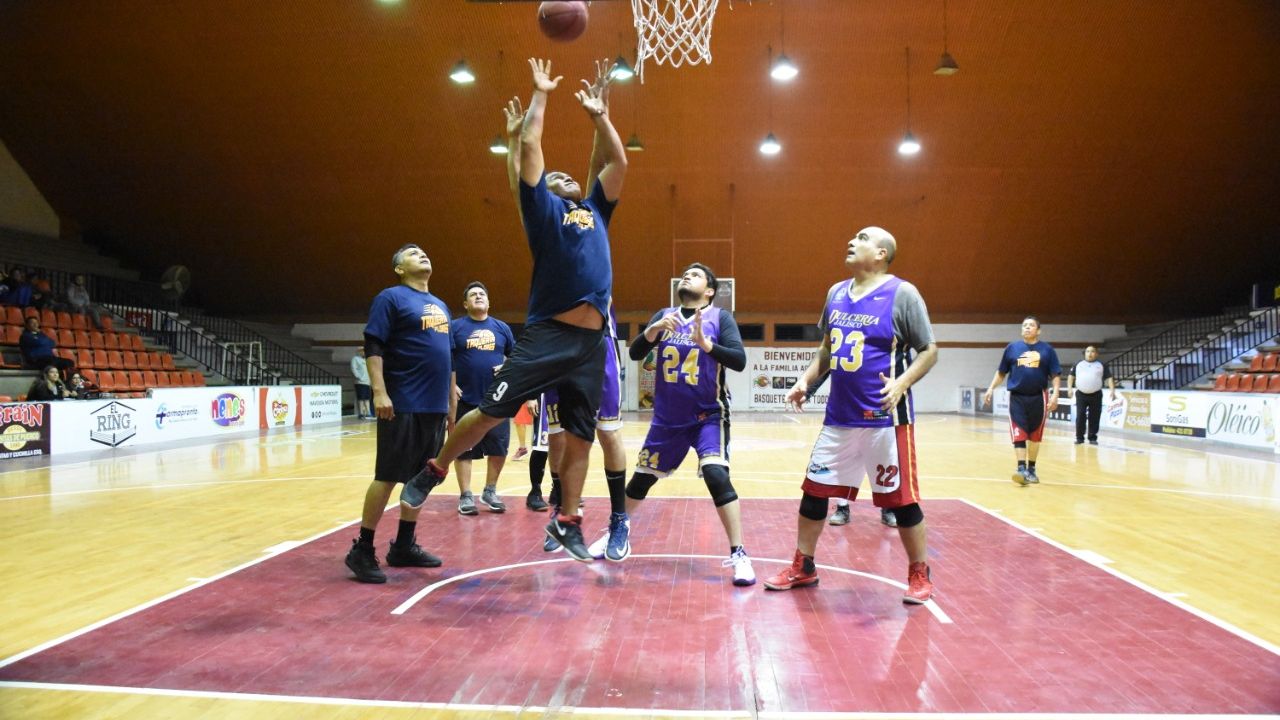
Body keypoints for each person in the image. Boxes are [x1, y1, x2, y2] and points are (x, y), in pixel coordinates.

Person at [400, 57, 627, 563]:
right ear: (539, 191)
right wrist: (541, 94)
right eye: (556, 175)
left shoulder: (595, 211)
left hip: (590, 346)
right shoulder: (543, 213)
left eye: (573, 175)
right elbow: (529, 149)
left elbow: (615, 164)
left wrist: (599, 117)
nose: (566, 175)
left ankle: (568, 519)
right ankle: (434, 469)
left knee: (580, 436)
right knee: (489, 413)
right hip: (548, 336)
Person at [763, 226, 940, 605]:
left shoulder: (902, 294)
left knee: (902, 501)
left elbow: (929, 350)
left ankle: (919, 572)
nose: (851, 241)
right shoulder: (835, 293)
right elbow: (828, 349)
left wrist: (902, 383)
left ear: (881, 253)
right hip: (839, 418)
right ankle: (804, 566)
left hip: (885, 421)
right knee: (814, 493)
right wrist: (806, 382)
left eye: (862, 238)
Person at [596, 264, 753, 583]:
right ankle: (616, 530)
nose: (687, 276)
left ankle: (739, 554)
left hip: (708, 415)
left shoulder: (720, 319)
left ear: (710, 290)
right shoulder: (664, 315)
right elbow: (637, 352)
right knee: (640, 481)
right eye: (685, 274)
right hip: (667, 420)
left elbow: (739, 360)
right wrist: (652, 332)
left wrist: (708, 346)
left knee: (715, 474)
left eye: (695, 275)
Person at [342, 244, 455, 584]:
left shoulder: (441, 306)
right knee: (388, 475)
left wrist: (452, 410)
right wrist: (379, 391)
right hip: (403, 400)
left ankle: (404, 545)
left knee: (421, 479)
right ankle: (362, 548)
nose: (423, 254)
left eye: (425, 252)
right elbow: (374, 345)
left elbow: (448, 361)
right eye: (413, 253)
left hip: (434, 407)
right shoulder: (390, 298)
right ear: (399, 269)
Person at [449, 281, 517, 515]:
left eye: (482, 294)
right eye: (473, 295)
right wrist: (451, 385)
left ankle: (490, 490)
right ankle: (466, 495)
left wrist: (506, 367)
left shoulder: (501, 328)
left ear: (488, 301)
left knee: (498, 448)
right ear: (465, 303)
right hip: (465, 399)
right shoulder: (455, 328)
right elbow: (443, 358)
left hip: (497, 399)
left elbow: (516, 358)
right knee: (463, 449)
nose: (478, 296)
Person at [804, 371, 899, 529]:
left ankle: (888, 508)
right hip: (846, 413)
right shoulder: (840, 346)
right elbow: (825, 363)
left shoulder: (887, 350)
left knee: (883, 465)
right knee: (842, 468)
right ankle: (842, 508)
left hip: (877, 412)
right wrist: (808, 390)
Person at [983, 316, 1062, 485]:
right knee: (1018, 433)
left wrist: (1055, 394)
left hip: (1039, 397)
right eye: (1024, 325)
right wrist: (990, 388)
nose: (1027, 327)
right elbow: (1001, 372)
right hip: (1017, 397)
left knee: (1034, 435)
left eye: (1031, 325)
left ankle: (1032, 469)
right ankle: (1021, 469)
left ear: (1038, 330)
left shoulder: (1047, 350)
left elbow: (1055, 374)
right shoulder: (1012, 348)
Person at [1068, 345, 1116, 445]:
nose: (1090, 353)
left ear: (1096, 354)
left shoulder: (1101, 365)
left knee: (1095, 416)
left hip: (1096, 395)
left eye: (1092, 351)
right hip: (1081, 394)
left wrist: (1112, 390)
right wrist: (1070, 389)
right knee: (1080, 415)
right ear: (1085, 353)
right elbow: (1071, 377)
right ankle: (1079, 437)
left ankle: (1092, 437)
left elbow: (1109, 378)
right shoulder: (1078, 364)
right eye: (1088, 351)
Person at [350, 348, 373, 420]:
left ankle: (368, 413)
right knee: (361, 398)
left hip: (367, 382)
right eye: (362, 351)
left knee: (367, 398)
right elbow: (353, 368)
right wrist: (359, 377)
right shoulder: (355, 359)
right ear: (359, 352)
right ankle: (361, 413)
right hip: (360, 382)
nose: (364, 353)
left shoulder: (366, 360)